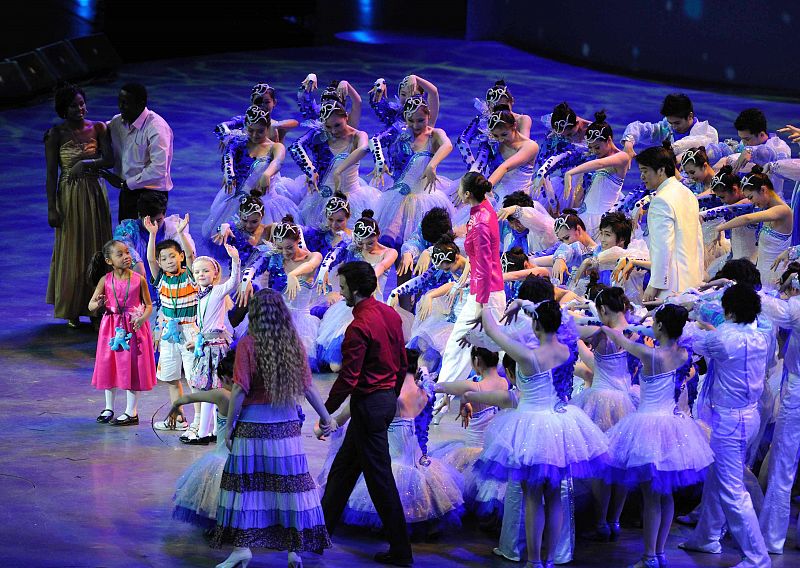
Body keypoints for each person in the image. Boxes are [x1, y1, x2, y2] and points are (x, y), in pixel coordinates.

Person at [474, 300, 609, 568]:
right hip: (559, 426)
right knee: (555, 497)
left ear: (536, 324)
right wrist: (526, 306)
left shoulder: (528, 355)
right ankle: (550, 559)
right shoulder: (566, 348)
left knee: (533, 497)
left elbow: (491, 330)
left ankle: (534, 561)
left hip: (532, 429)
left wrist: (485, 302)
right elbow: (569, 322)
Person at [211, 289, 333, 568]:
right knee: (289, 487)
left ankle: (242, 549)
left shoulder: (248, 344)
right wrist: (326, 417)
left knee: (245, 487)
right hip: (285, 427)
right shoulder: (293, 343)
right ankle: (294, 550)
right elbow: (309, 387)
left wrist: (229, 426)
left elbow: (240, 389)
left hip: (254, 425)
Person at [601, 305, 713, 568]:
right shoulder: (684, 353)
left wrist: (604, 325)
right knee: (666, 495)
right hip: (673, 427)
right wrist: (638, 328)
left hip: (648, 427)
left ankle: (649, 556)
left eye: (655, 322)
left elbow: (618, 340)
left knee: (652, 495)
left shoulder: (650, 355)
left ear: (660, 327)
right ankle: (659, 553)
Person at [320, 260, 413, 567]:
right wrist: (390, 394)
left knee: (379, 479)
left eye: (343, 287)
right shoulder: (389, 313)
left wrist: (326, 412)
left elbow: (349, 378)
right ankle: (319, 532)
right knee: (343, 471)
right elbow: (401, 362)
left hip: (370, 405)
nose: (341, 292)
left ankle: (401, 550)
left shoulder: (358, 327)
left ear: (356, 290)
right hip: (382, 401)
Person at [680, 284, 772, 568]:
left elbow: (691, 340)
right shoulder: (760, 338)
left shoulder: (724, 340)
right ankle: (706, 537)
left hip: (731, 421)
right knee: (715, 478)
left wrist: (686, 312)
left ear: (729, 310)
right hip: (749, 417)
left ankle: (757, 557)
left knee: (732, 488)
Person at [45, 83, 113, 328]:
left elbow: (109, 159)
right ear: (64, 108)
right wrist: (52, 208)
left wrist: (86, 164)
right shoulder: (56, 134)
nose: (79, 109)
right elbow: (51, 175)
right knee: (73, 249)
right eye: (73, 105)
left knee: (97, 247)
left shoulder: (98, 127)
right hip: (70, 195)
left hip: (95, 192)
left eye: (81, 103)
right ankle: (73, 307)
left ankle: (97, 309)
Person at [436, 173, 505, 400]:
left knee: (461, 348)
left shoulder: (482, 221)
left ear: (467, 194)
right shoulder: (481, 210)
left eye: (460, 189)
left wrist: (481, 306)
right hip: (483, 291)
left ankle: (439, 401)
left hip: (486, 295)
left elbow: (484, 265)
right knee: (483, 347)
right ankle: (440, 401)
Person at [202, 106, 299, 241]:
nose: (254, 135)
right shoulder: (238, 144)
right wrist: (227, 172)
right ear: (245, 126)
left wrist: (267, 174)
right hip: (237, 203)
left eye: (260, 131)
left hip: (265, 204)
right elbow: (228, 156)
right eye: (251, 130)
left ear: (268, 128)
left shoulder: (275, 147)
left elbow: (278, 162)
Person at [87, 240, 156, 425]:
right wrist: (99, 304)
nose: (126, 257)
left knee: (132, 366)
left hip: (132, 327)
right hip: (111, 327)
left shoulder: (138, 279)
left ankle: (131, 411)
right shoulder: (105, 280)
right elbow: (91, 305)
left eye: (127, 252)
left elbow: (148, 305)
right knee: (109, 364)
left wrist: (142, 319)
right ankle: (109, 407)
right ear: (109, 261)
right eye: (120, 254)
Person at [758, 262, 800, 553]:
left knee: (784, 463)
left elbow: (767, 304)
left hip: (797, 391)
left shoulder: (796, 307)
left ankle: (772, 538)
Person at [170, 349, 235, 529]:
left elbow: (189, 397)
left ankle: (220, 527)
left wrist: (175, 405)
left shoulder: (221, 394)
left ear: (227, 378)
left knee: (216, 498)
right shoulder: (248, 397)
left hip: (222, 457)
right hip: (243, 456)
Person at [145, 222, 199, 435]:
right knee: (171, 377)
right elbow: (150, 259)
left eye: (172, 256)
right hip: (169, 333)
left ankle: (198, 423)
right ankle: (179, 418)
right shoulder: (161, 279)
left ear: (180, 257)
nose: (168, 261)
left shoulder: (190, 276)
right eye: (164, 258)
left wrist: (180, 233)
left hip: (189, 332)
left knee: (195, 380)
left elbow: (192, 255)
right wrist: (153, 234)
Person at [185, 244, 240, 444]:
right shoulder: (199, 295)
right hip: (205, 345)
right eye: (197, 271)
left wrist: (235, 260)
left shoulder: (217, 292)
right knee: (209, 389)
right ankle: (214, 430)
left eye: (205, 270)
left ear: (215, 273)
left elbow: (233, 282)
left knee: (210, 390)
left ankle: (203, 433)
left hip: (215, 347)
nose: (201, 274)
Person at [636, 146, 703, 301]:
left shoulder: (661, 200)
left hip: (671, 285)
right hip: (692, 280)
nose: (642, 176)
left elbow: (663, 246)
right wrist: (699, 277)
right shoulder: (688, 193)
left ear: (661, 170)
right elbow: (698, 241)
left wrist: (655, 285)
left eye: (645, 171)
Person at [715, 165, 793, 290]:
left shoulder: (783, 210)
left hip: (775, 277)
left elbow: (748, 219)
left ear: (763, 190)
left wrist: (720, 228)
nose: (751, 202)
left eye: (751, 197)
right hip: (763, 274)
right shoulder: (770, 210)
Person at [106, 82, 174, 222]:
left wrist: (125, 184)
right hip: (128, 192)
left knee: (149, 240)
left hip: (152, 196)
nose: (120, 107)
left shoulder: (157, 128)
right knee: (126, 239)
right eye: (120, 102)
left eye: (126, 103)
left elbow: (158, 170)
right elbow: (96, 131)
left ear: (141, 104)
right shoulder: (117, 122)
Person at [563, 111, 631, 237]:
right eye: (591, 148)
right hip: (586, 215)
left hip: (602, 220)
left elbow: (599, 164)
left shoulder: (622, 157)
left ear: (609, 140)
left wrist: (570, 173)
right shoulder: (599, 157)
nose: (594, 151)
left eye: (597, 147)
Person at [621, 93, 719, 160]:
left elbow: (693, 143)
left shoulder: (708, 132)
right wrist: (628, 145)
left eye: (677, 123)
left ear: (690, 116)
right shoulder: (667, 128)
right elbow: (639, 128)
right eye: (670, 122)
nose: (673, 127)